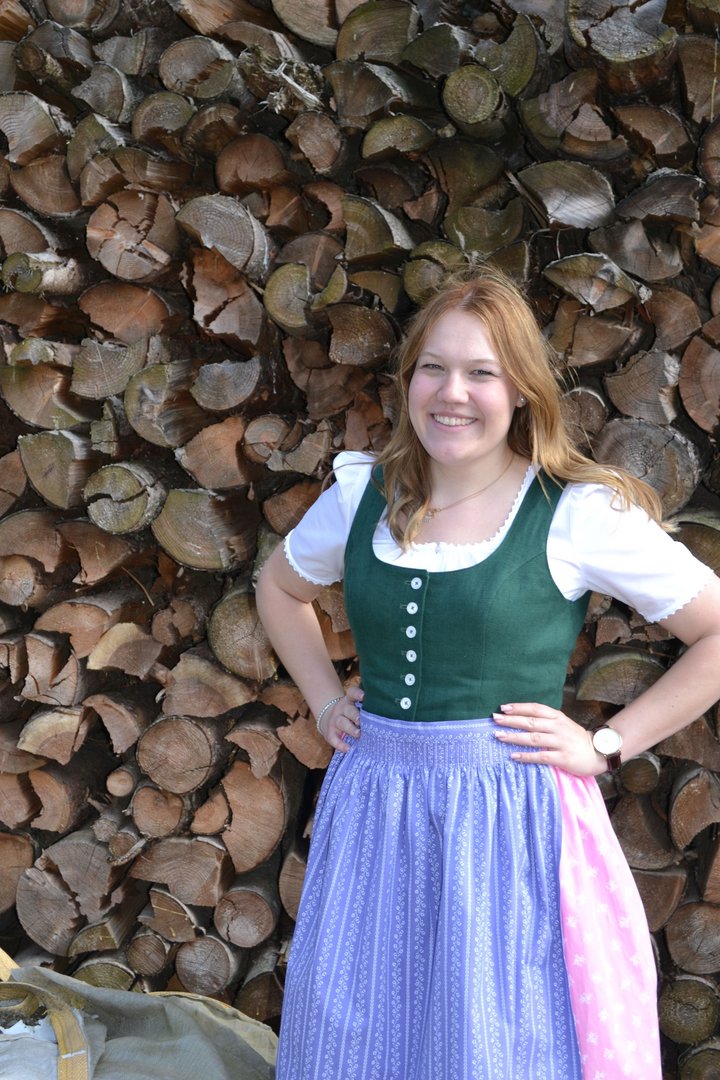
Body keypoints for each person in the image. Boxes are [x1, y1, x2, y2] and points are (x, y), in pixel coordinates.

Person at [255, 268, 720, 1080]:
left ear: (521, 390)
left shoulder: (573, 512)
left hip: (510, 821)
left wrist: (607, 743)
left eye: (481, 372)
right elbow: (280, 586)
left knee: (500, 1039)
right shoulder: (366, 495)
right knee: (362, 1033)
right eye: (433, 368)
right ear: (409, 381)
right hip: (376, 812)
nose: (452, 393)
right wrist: (325, 701)